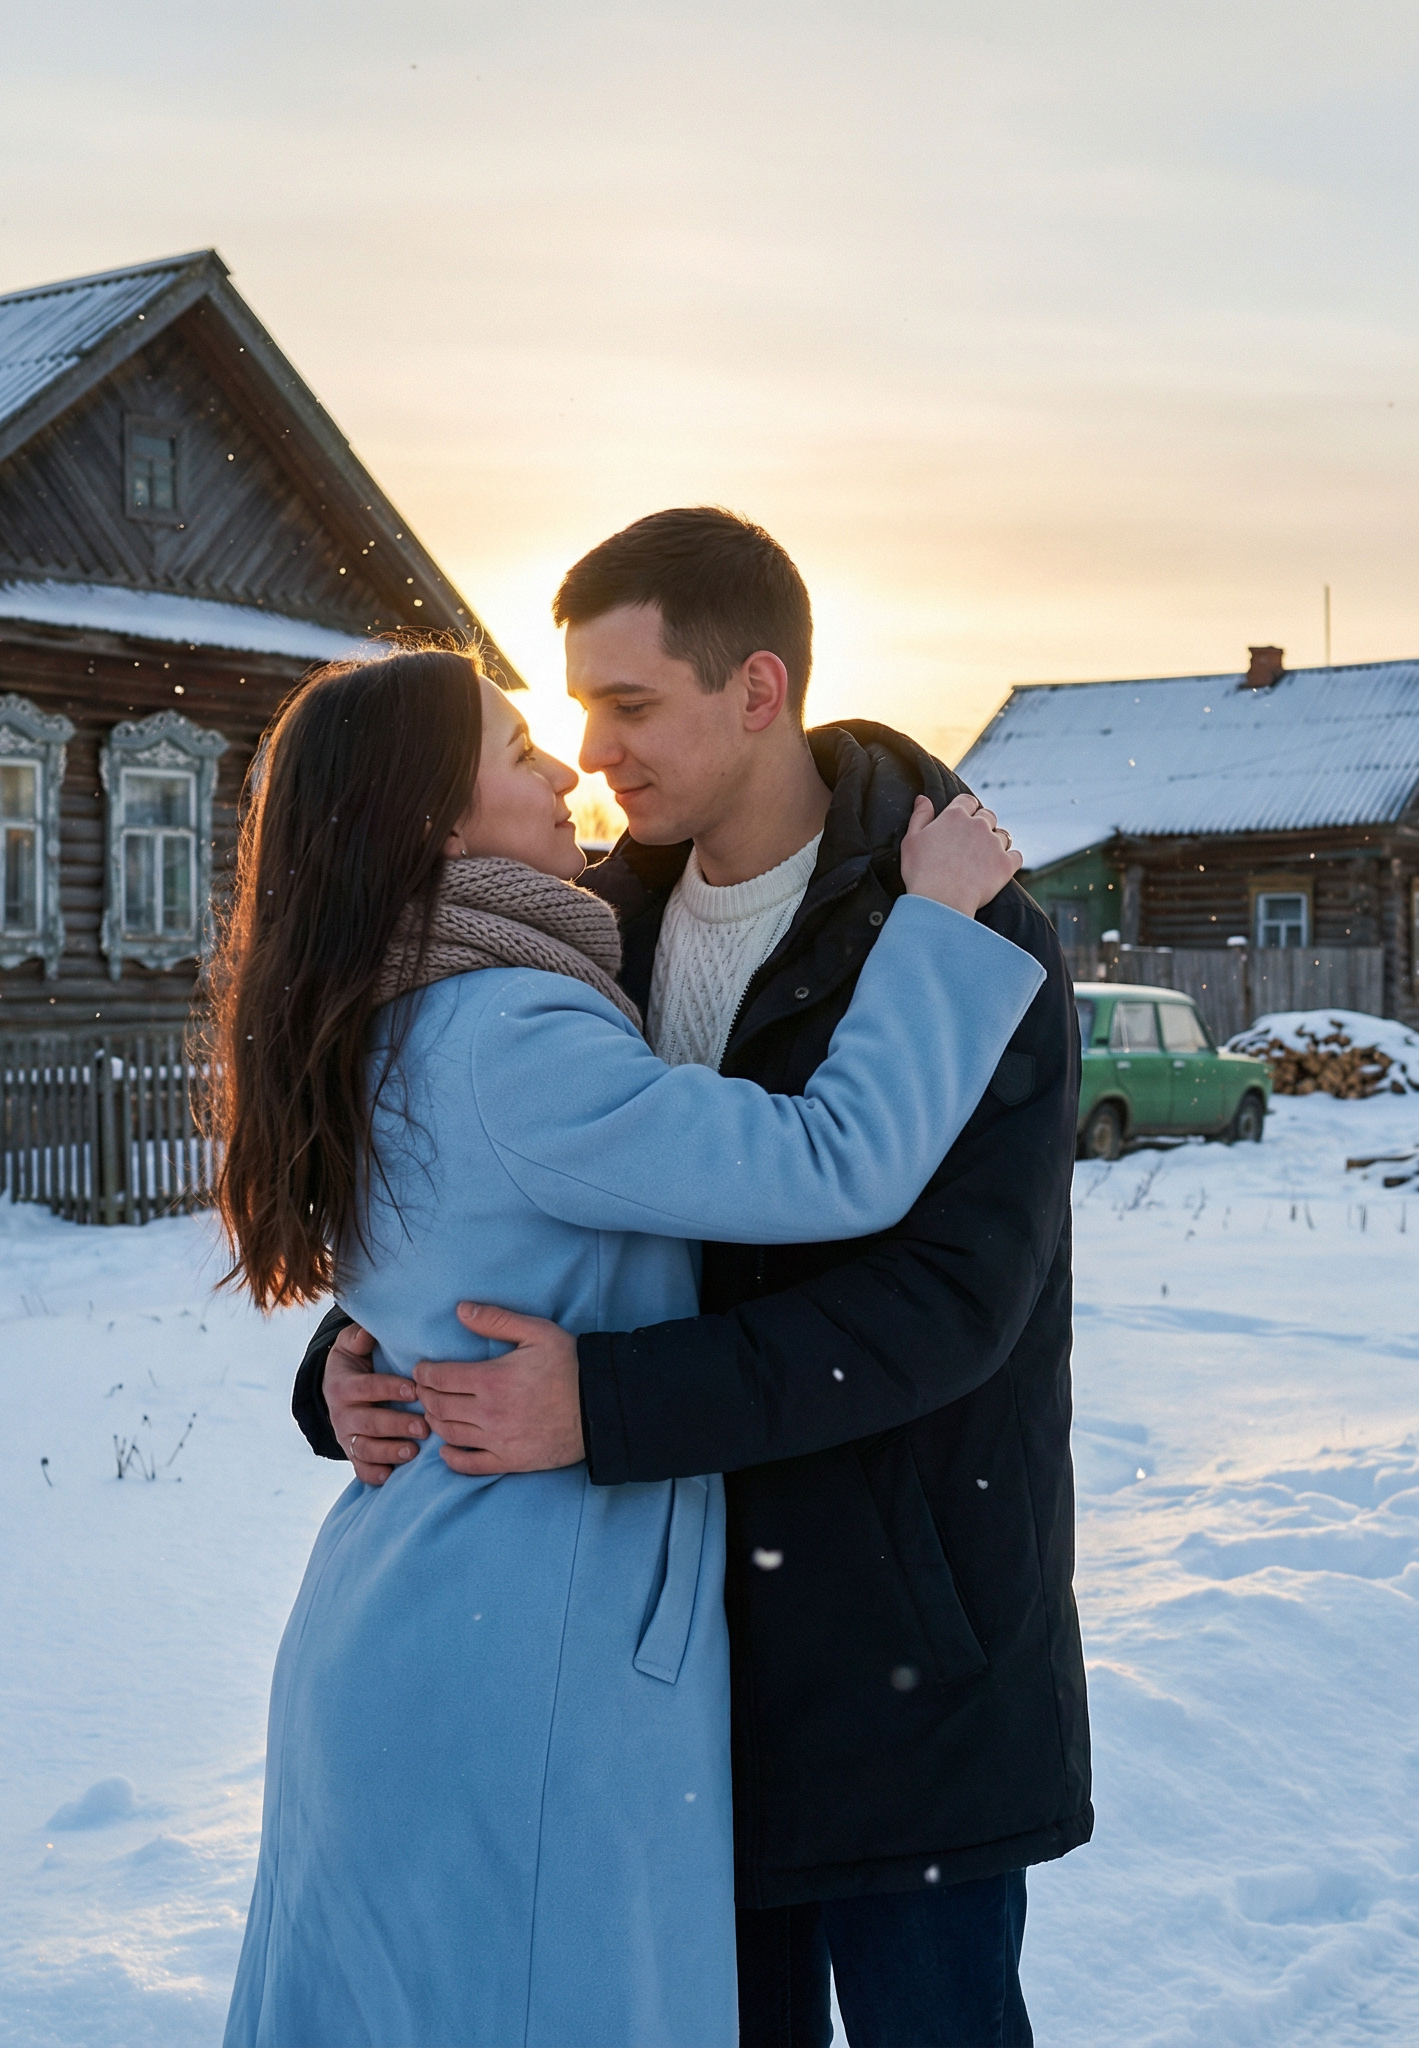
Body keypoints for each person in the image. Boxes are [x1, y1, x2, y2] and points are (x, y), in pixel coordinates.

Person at [293, 511, 1091, 2048]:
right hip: (659, 1669)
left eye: (631, 706)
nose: (591, 756)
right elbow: (532, 1199)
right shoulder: (588, 928)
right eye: (574, 712)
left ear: (759, 689)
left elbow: (948, 1308)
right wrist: (353, 1360)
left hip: (896, 1649)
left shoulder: (967, 937)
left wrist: (606, 1402)